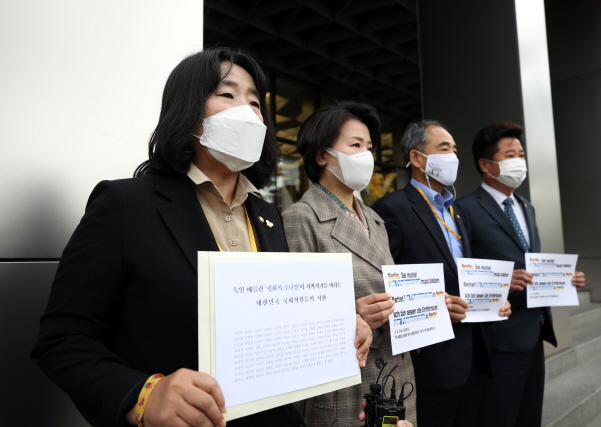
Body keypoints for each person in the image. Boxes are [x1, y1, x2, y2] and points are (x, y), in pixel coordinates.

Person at [31, 48, 372, 427]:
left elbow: (270, 319)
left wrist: (333, 322)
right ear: (188, 110)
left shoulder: (267, 214)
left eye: (255, 102)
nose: (246, 110)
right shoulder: (126, 206)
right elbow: (62, 341)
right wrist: (143, 395)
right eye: (227, 94)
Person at [282, 102, 417, 427]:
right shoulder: (301, 217)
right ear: (322, 155)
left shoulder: (373, 218)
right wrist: (349, 316)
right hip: (347, 385)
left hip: (397, 376)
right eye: (355, 145)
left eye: (369, 147)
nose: (367, 155)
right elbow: (290, 314)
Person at [371, 120, 511, 427]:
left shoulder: (455, 209)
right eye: (444, 148)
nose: (453, 157)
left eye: (455, 149)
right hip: (431, 363)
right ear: (417, 159)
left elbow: (465, 271)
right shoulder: (392, 208)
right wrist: (436, 308)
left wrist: (494, 299)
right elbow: (387, 284)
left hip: (473, 355)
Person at [454, 122, 586, 427]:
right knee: (498, 417)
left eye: (522, 154)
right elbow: (462, 272)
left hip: (534, 332)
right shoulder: (464, 210)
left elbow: (531, 264)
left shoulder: (526, 206)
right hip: (497, 339)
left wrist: (564, 281)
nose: (520, 162)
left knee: (529, 416)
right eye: (511, 154)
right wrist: (501, 282)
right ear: (486, 165)